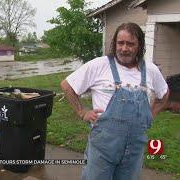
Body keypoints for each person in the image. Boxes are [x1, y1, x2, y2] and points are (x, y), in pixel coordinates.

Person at [60, 22, 169, 180]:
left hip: (134, 150)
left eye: (130, 44)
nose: (124, 48)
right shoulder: (99, 65)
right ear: (115, 44)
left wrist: (150, 115)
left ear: (139, 46)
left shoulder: (150, 70)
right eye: (121, 43)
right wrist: (81, 112)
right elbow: (67, 85)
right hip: (102, 148)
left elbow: (164, 94)